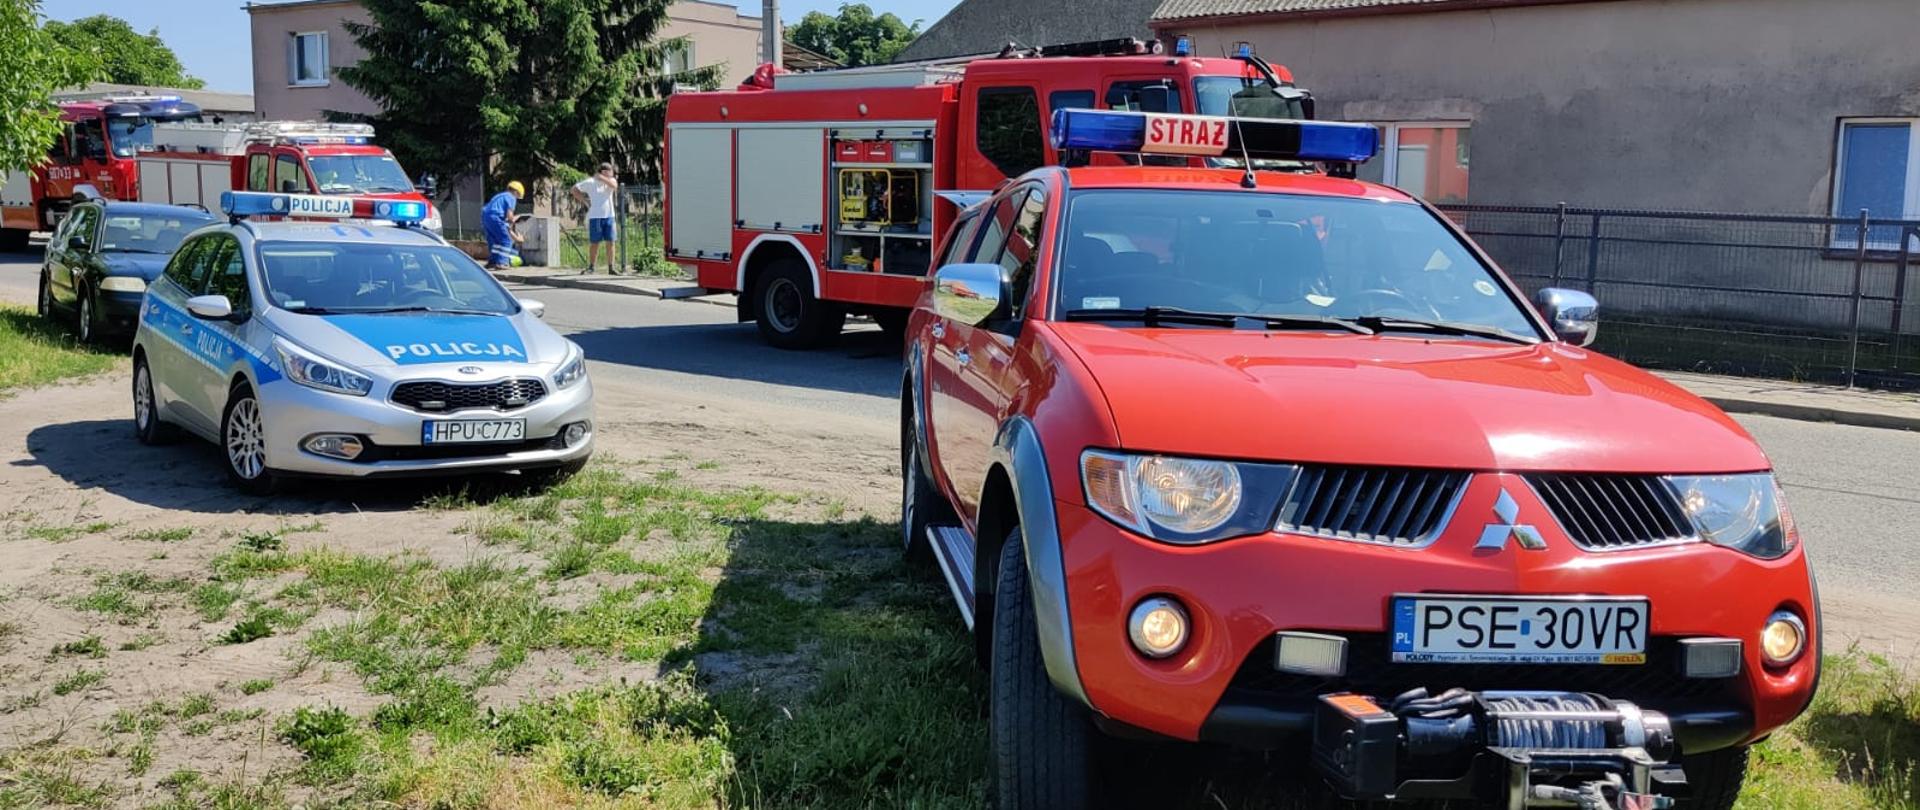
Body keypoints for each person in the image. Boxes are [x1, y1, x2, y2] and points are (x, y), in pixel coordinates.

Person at [571, 163, 619, 274]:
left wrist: (602, 178)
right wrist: (584, 200)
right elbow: (574, 189)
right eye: (610, 171)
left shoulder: (611, 181)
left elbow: (614, 186)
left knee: (611, 241)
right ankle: (591, 267)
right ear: (604, 171)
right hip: (596, 217)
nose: (612, 173)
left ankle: (611, 267)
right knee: (595, 242)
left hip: (609, 216)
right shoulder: (591, 182)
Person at [482, 180, 525, 269]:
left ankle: (493, 262)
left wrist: (515, 236)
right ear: (516, 192)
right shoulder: (511, 197)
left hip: (486, 217)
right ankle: (502, 263)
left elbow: (505, 224)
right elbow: (510, 216)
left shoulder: (500, 196)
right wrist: (514, 219)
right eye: (518, 196)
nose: (517, 198)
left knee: (495, 242)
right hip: (495, 217)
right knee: (506, 241)